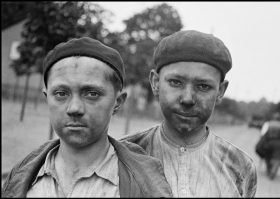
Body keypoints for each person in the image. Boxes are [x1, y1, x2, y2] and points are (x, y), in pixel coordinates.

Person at [1, 37, 172, 197]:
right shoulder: (20, 177)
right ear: (47, 98)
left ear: (117, 102)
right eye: (61, 93)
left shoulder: (146, 184)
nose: (74, 108)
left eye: (92, 94)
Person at [121, 30, 257, 197]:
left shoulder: (240, 167)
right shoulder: (122, 155)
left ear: (220, 91)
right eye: (176, 82)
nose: (187, 99)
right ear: (155, 82)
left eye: (203, 86)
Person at [255, 113, 280, 179]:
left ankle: (268, 170)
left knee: (267, 156)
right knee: (276, 158)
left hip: (268, 143)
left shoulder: (267, 124)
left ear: (272, 118)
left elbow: (262, 134)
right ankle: (273, 171)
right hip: (277, 144)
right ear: (279, 119)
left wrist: (261, 143)